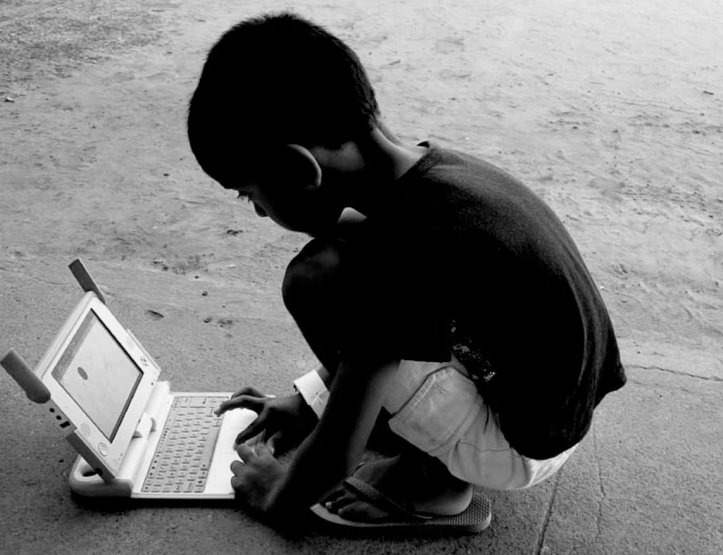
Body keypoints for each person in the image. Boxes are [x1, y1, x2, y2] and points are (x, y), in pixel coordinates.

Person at [186, 11, 626, 528]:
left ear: (297, 170)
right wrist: (307, 402)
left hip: (520, 445)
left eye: (251, 194)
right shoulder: (430, 176)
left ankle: (433, 481)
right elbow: (398, 326)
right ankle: (435, 444)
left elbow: (336, 453)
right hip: (549, 406)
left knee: (316, 280)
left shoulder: (402, 246)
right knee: (352, 281)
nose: (259, 212)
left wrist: (276, 491)